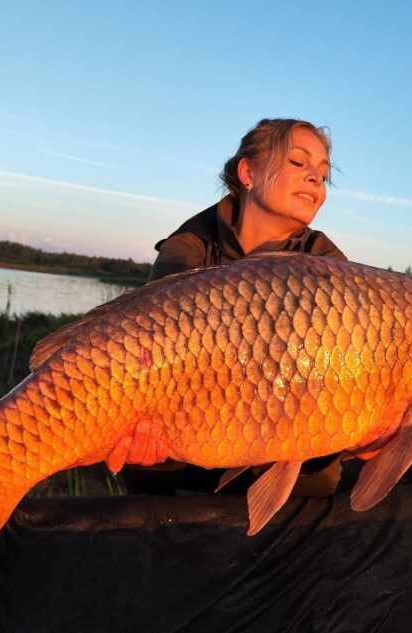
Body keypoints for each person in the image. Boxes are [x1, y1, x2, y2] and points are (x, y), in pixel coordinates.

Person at [116, 118, 348, 496]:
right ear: (248, 172)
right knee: (143, 455)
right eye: (297, 162)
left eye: (323, 173)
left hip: (289, 451)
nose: (315, 178)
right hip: (191, 437)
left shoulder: (332, 269)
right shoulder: (187, 250)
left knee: (321, 474)